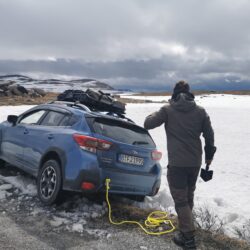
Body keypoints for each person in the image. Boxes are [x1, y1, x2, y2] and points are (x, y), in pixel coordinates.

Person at [144, 81, 216, 250]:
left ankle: (189, 238)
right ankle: (184, 234)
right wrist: (209, 158)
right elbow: (209, 135)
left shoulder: (168, 110)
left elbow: (148, 123)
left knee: (181, 200)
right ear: (190, 93)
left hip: (177, 164)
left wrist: (162, 109)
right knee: (188, 196)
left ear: (174, 94)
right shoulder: (200, 111)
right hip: (195, 162)